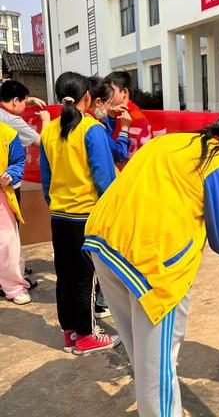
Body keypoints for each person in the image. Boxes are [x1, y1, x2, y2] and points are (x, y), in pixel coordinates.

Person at [83, 114, 219, 416]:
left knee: (143, 351)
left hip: (103, 243)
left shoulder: (170, 142)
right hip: (151, 265)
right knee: (157, 367)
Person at [40, 71, 120, 355]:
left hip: (59, 216)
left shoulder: (48, 130)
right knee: (87, 277)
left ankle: (70, 333)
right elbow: (105, 179)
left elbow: (46, 178)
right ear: (88, 96)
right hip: (86, 216)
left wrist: (55, 202)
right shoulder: (91, 129)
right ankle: (87, 335)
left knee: (65, 275)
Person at [87, 75, 133, 319]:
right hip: (97, 204)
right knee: (100, 258)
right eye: (105, 101)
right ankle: (99, 302)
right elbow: (115, 156)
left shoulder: (59, 126)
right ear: (94, 102)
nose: (110, 105)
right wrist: (124, 129)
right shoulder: (93, 128)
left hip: (66, 209)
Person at [0, 80, 50, 289]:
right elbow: (45, 143)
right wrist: (46, 120)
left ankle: (12, 269)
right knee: (9, 234)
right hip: (8, 185)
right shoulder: (12, 121)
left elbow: (15, 103)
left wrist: (28, 101)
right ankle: (11, 279)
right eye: (23, 102)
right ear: (14, 101)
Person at [0, 120, 29, 304]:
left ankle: (14, 286)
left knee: (8, 242)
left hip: (1, 193)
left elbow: (18, 161)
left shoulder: (8, 134)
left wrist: (11, 174)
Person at [104, 71, 151, 163]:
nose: (106, 96)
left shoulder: (137, 117)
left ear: (124, 92)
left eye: (110, 91)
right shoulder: (112, 114)